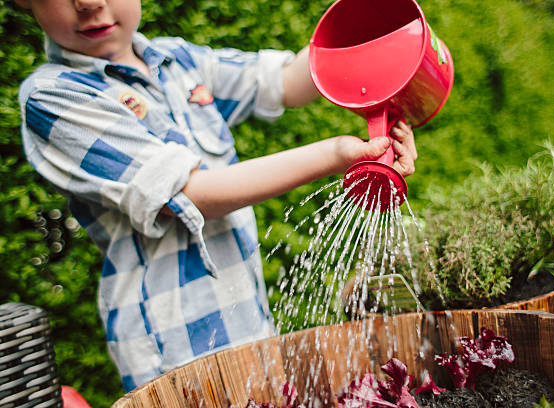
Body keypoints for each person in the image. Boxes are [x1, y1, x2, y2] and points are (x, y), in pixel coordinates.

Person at [16, 0, 418, 391]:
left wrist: (371, 35)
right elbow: (190, 194)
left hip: (248, 323)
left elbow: (286, 80)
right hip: (174, 356)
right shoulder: (53, 97)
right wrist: (336, 154)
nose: (88, 3)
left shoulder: (178, 62)